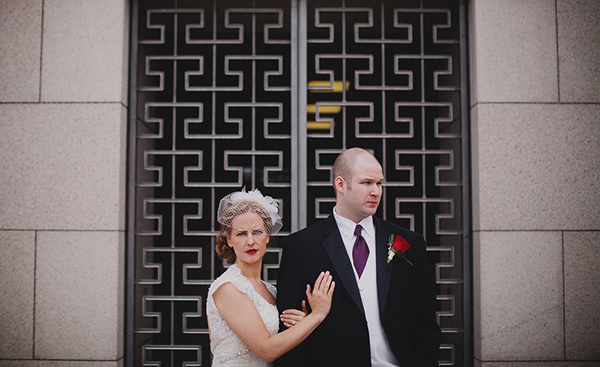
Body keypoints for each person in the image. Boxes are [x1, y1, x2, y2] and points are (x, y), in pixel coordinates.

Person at [275, 147, 441, 367]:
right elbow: (289, 327)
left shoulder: (410, 243)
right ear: (341, 184)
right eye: (367, 183)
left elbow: (426, 320)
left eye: (379, 183)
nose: (376, 191)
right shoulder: (301, 246)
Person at [206, 188, 336, 366]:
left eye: (257, 232)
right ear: (229, 240)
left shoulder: (271, 291)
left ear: (267, 236)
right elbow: (268, 350)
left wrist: (302, 322)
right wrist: (318, 315)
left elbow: (281, 341)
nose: (250, 241)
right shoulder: (228, 288)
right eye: (241, 234)